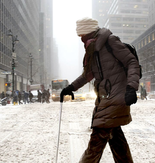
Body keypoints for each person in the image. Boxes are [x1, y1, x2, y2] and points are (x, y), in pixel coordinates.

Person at [60, 17, 140, 163]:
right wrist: (70, 88)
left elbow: (131, 61)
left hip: (117, 96)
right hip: (106, 97)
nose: (81, 39)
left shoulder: (110, 41)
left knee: (96, 141)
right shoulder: (93, 50)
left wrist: (131, 88)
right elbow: (87, 75)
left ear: (89, 33)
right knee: (117, 141)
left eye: (82, 36)